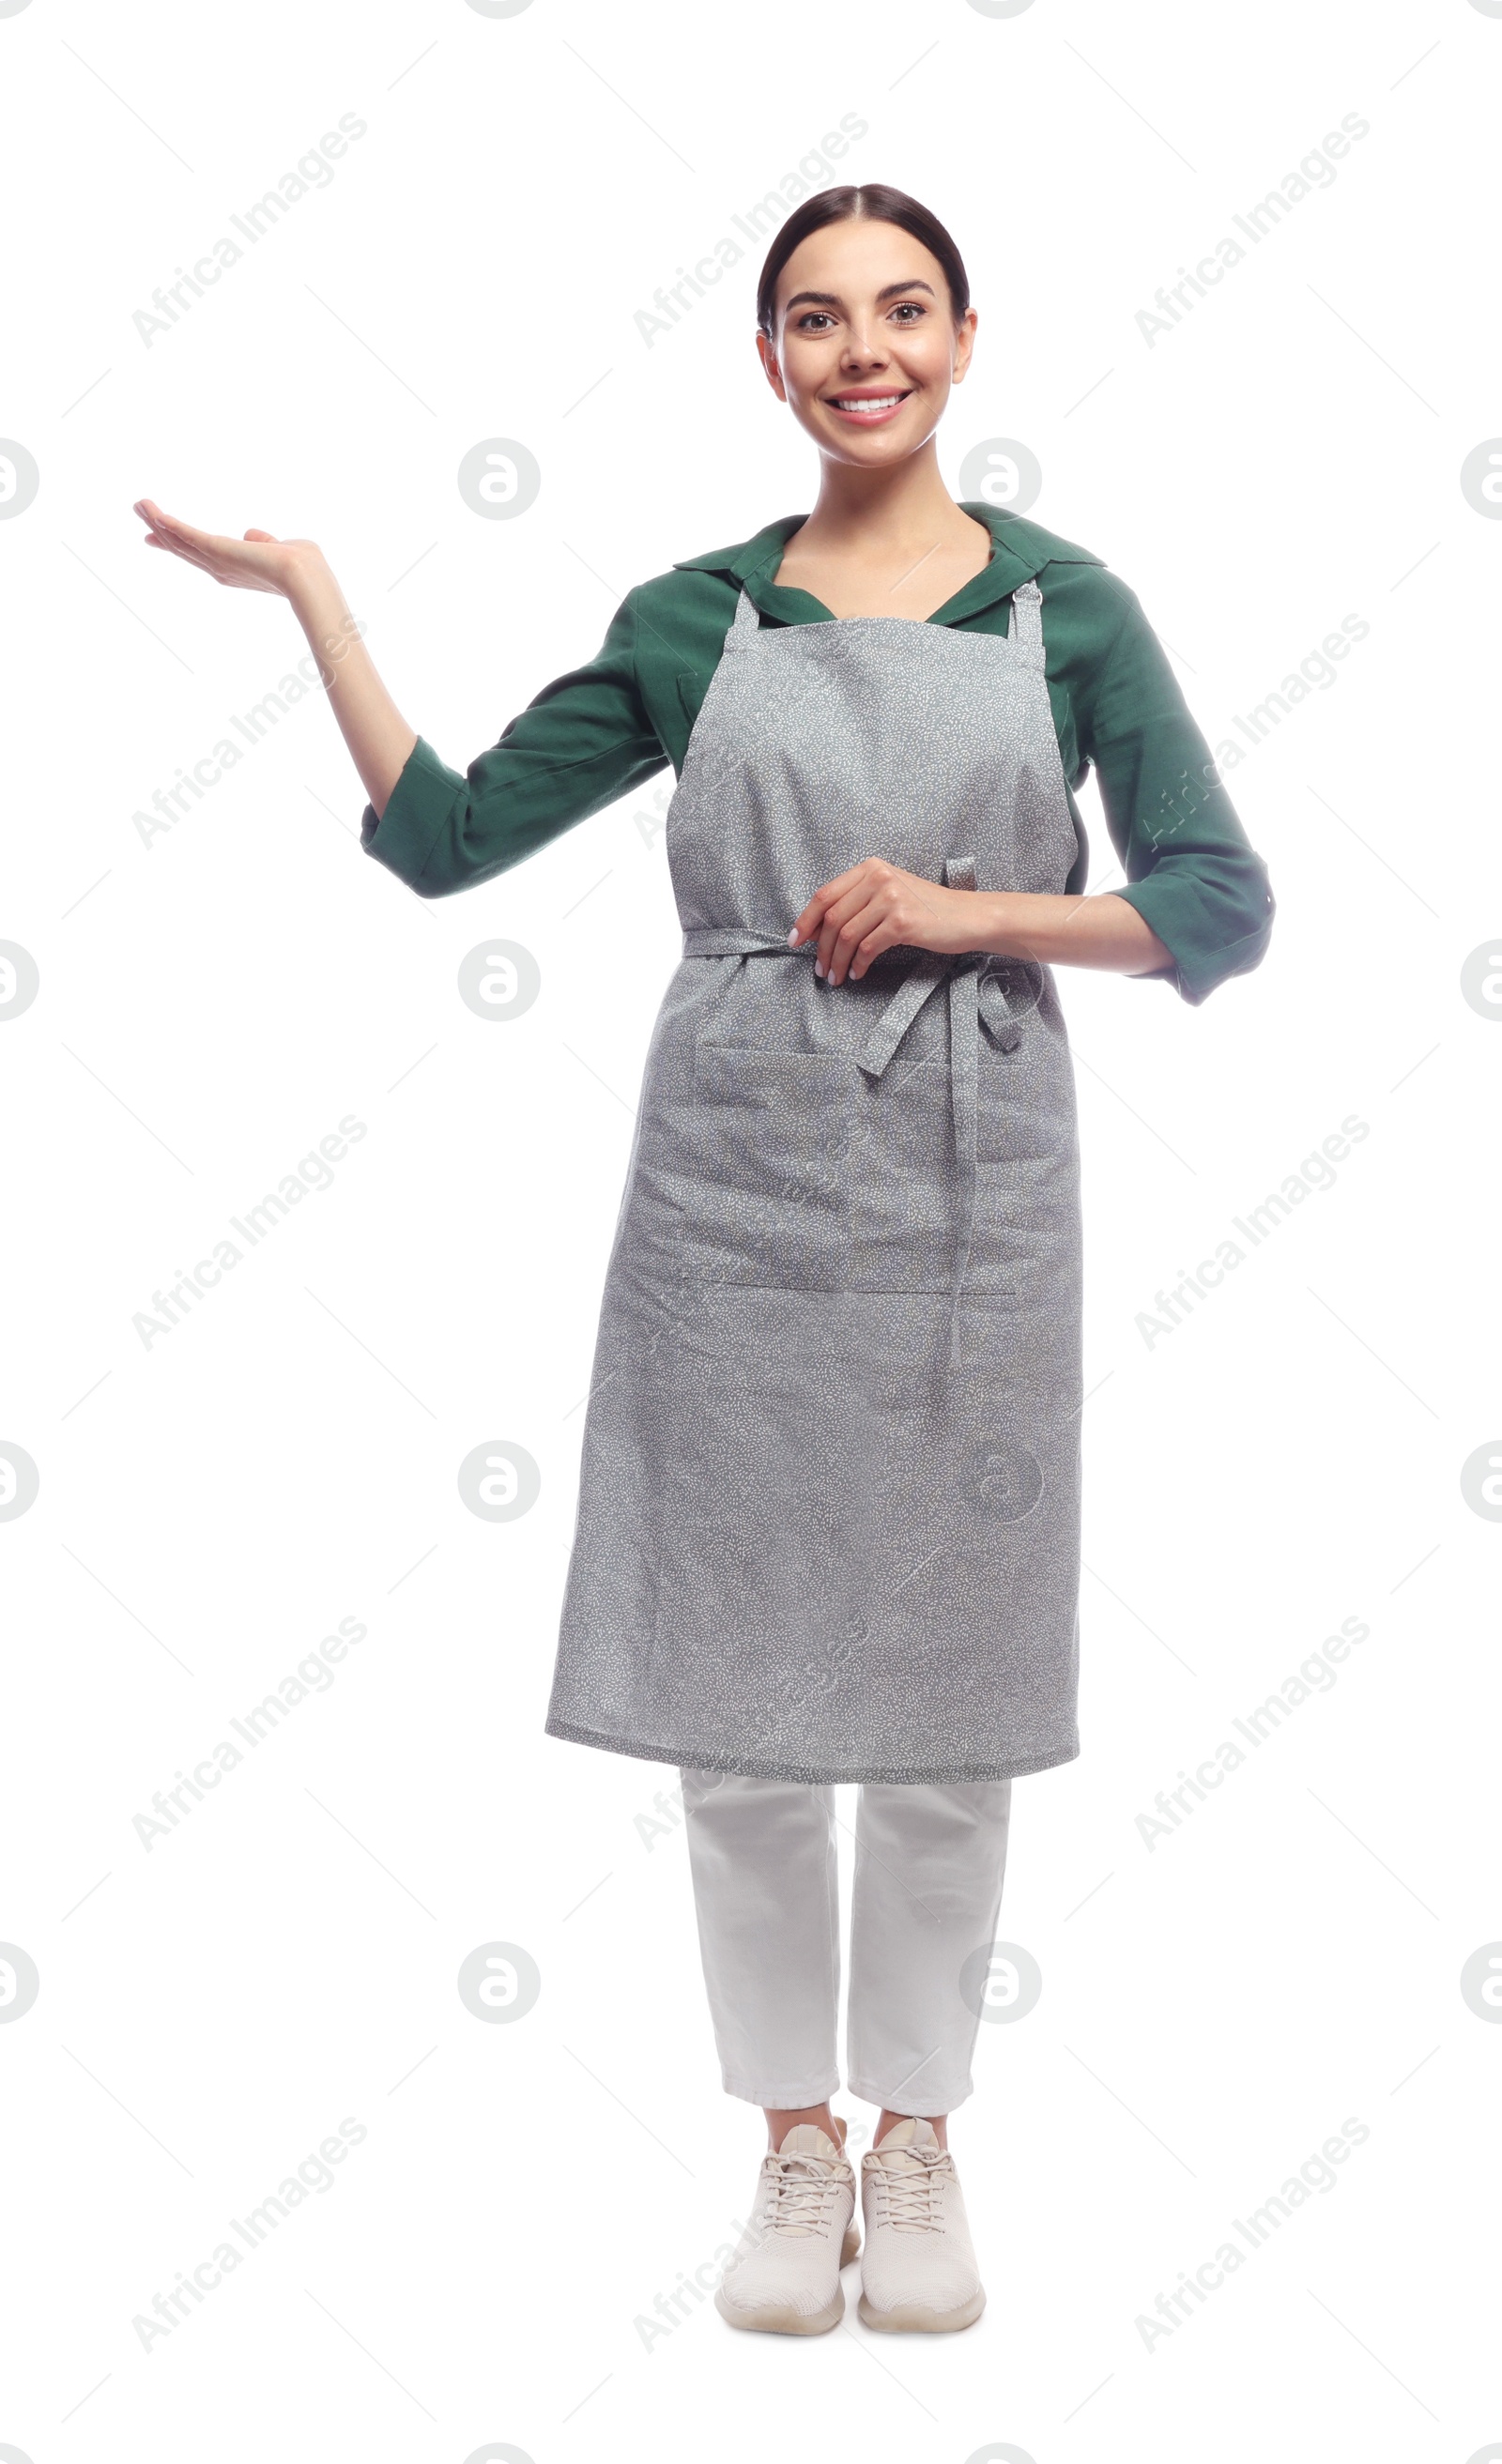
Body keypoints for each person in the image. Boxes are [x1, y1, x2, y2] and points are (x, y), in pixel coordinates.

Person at [132, 181, 1273, 2341]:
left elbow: (1215, 905)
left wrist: (968, 912)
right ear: (766, 357)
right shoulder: (693, 618)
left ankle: (919, 2125)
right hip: (732, 1186)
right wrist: (309, 597)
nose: (864, 349)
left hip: (973, 1179)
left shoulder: (1068, 611)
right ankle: (785, 2136)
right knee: (739, 1704)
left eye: (903, 310)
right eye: (816, 318)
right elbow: (444, 839)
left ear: (963, 338)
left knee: (944, 1697)